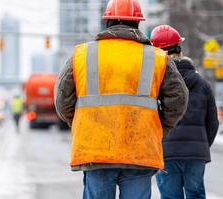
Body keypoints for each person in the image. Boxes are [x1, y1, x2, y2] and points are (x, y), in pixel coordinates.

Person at [54, 0, 189, 198]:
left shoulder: (82, 54)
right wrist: (157, 128)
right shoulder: (157, 58)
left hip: (95, 151)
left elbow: (62, 100)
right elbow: (178, 101)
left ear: (108, 23)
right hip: (140, 151)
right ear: (137, 24)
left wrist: (83, 123)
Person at [150, 25, 219, 199]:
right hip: (196, 154)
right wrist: (200, 145)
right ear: (179, 48)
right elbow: (212, 122)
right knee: (196, 195)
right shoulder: (202, 83)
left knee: (170, 196)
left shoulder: (155, 83)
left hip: (166, 154)